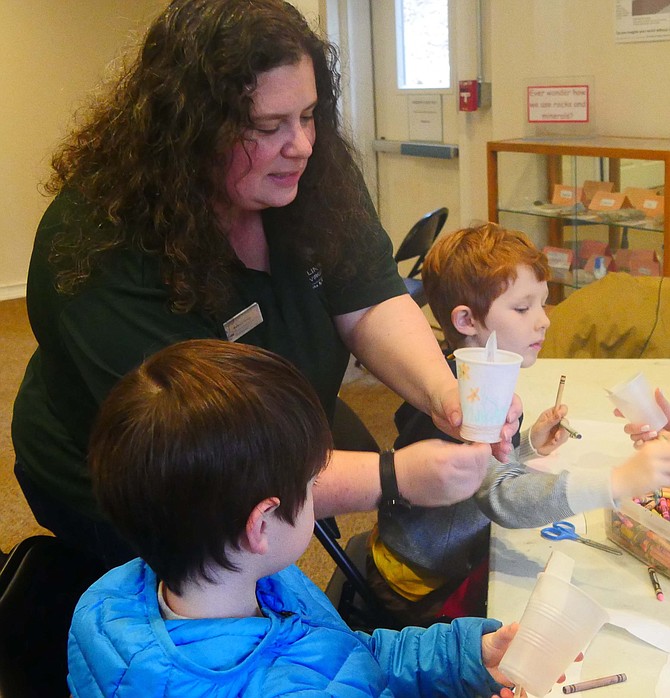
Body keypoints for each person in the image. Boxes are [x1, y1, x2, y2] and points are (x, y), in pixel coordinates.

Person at [11, 0, 520, 568]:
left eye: (308, 115)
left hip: (271, 425)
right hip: (134, 480)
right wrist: (391, 477)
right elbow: (206, 465)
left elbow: (370, 297)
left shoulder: (306, 171)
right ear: (188, 131)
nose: (300, 144)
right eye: (266, 126)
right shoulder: (97, 244)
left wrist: (444, 394)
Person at [67, 339, 523, 698]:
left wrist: (470, 654)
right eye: (311, 483)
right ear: (261, 525)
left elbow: (347, 661)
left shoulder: (108, 600)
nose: (316, 490)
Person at [367, 223, 670, 627]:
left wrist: (527, 445)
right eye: (523, 308)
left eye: (543, 304)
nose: (544, 321)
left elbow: (479, 470)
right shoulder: (463, 403)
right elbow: (503, 497)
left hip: (440, 554)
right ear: (466, 320)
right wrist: (616, 481)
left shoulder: (473, 380)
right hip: (421, 585)